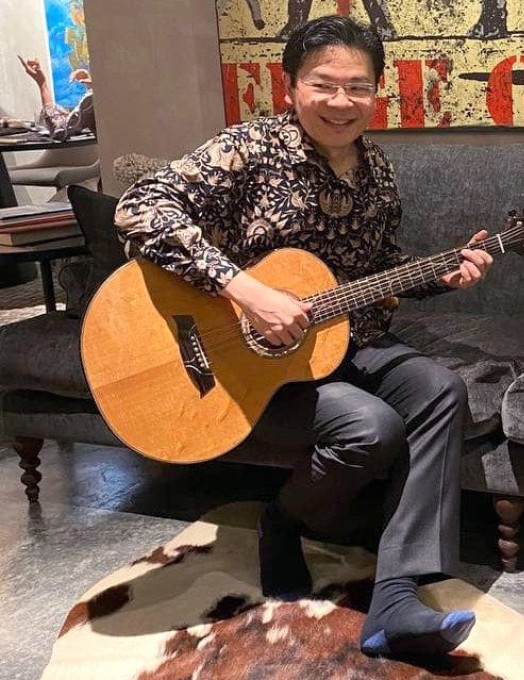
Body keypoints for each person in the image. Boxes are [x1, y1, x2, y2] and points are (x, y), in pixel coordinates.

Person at [114, 15, 493, 660]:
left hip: (349, 343)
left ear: (377, 92)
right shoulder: (247, 149)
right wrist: (246, 289)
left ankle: (397, 595)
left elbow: (378, 275)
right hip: (239, 361)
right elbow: (140, 209)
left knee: (439, 388)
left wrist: (440, 277)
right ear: (290, 86)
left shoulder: (378, 172)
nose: (342, 102)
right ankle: (283, 521)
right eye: (324, 84)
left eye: (358, 87)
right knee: (370, 428)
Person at [17, 55, 96, 139]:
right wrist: (90, 87)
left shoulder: (91, 100)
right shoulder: (96, 98)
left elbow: (59, 131)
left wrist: (42, 84)